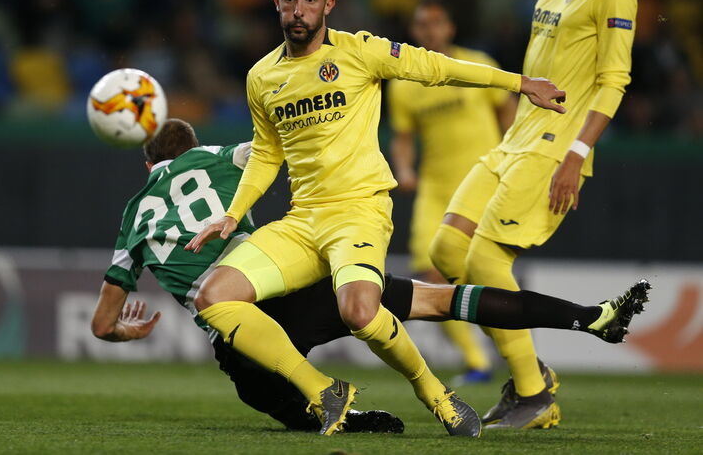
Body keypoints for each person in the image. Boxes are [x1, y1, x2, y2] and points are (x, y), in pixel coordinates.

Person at [183, 0, 568, 437]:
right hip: (303, 222)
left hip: (358, 211)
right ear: (275, 3)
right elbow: (266, 152)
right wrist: (232, 214)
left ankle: (435, 394)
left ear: (328, 5)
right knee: (214, 297)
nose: (299, 9)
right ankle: (324, 389)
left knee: (360, 311)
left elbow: (437, 67)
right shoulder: (261, 77)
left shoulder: (358, 51)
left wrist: (520, 83)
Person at [90, 119, 651, 434]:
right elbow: (280, 150)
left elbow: (101, 323)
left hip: (242, 336)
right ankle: (589, 316)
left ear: (147, 167)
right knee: (439, 300)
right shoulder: (220, 156)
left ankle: (348, 414)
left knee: (277, 406)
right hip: (295, 287)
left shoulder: (133, 213)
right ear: (193, 149)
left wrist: (124, 332)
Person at [426, 0, 638, 430]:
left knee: (485, 262)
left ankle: (531, 393)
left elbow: (613, 83)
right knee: (447, 250)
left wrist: (576, 154)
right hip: (514, 138)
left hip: (553, 148)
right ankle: (530, 371)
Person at [387, 0, 518, 384]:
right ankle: (477, 361)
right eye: (422, 25)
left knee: (478, 271)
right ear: (414, 33)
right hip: (435, 188)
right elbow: (403, 137)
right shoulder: (405, 83)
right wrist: (405, 169)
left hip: (481, 184)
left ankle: (514, 355)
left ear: (450, 28)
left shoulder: (476, 64)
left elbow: (508, 109)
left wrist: (510, 153)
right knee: (429, 276)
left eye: (437, 22)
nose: (430, 31)